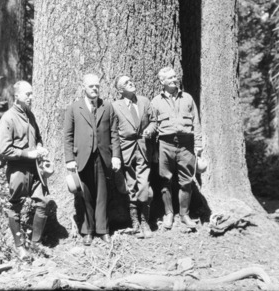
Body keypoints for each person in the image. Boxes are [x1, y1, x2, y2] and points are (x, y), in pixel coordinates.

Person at [64, 73, 121, 245]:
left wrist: (116, 156)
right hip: (82, 157)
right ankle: (87, 230)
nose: (94, 89)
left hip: (103, 157)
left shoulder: (107, 107)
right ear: (84, 87)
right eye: (91, 86)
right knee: (86, 195)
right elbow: (67, 135)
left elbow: (114, 134)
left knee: (103, 194)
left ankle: (103, 229)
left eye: (97, 86)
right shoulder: (74, 108)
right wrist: (69, 159)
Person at [0, 81, 50, 260]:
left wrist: (41, 148)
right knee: (16, 206)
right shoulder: (8, 118)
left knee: (42, 203)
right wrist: (29, 154)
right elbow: (4, 150)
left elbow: (39, 137)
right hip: (17, 169)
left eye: (32, 93)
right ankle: (20, 247)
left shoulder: (30, 114)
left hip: (35, 168)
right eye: (27, 94)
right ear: (17, 96)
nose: (31, 97)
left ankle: (36, 244)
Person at [149, 67, 203, 230]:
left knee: (186, 181)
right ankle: (168, 213)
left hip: (186, 145)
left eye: (175, 77)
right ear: (162, 81)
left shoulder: (187, 98)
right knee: (165, 180)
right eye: (170, 78)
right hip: (165, 144)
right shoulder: (156, 101)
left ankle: (184, 214)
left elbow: (197, 123)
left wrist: (199, 145)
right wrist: (155, 150)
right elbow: (153, 125)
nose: (174, 79)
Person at [112, 75, 156, 238]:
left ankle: (145, 221)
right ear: (120, 90)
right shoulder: (115, 106)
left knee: (144, 185)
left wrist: (150, 130)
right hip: (126, 150)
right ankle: (135, 222)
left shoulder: (144, 101)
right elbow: (113, 131)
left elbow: (153, 121)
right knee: (130, 186)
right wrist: (116, 154)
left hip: (144, 149)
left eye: (131, 81)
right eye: (126, 83)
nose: (131, 83)